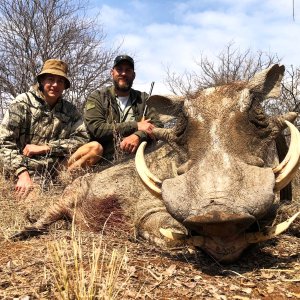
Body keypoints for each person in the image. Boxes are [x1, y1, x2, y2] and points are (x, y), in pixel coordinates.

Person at [0, 59, 101, 199]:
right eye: (51, 79)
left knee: (94, 148)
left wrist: (47, 147)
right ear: (41, 81)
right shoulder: (22, 102)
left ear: (65, 85)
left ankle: (63, 183)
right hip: (27, 169)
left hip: (57, 168)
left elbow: (82, 139)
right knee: (34, 207)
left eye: (60, 81)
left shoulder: (69, 109)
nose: (55, 85)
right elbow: (4, 143)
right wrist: (22, 173)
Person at [82, 55, 163, 162]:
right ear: (112, 72)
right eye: (119, 69)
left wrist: (138, 135)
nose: (123, 73)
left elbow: (157, 126)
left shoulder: (144, 98)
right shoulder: (97, 97)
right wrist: (136, 125)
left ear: (133, 75)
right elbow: (96, 128)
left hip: (138, 157)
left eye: (128, 70)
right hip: (104, 159)